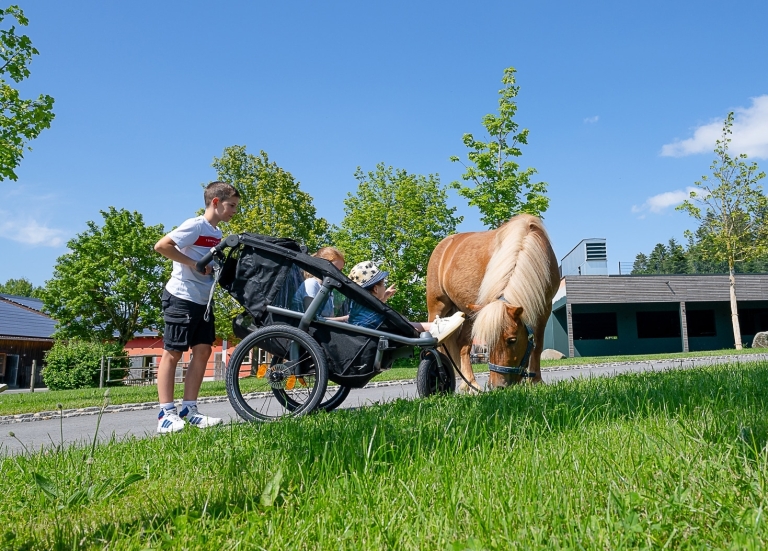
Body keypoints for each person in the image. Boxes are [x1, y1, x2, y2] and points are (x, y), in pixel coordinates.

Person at [152, 181, 240, 434]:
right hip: (181, 296)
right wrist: (193, 263)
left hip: (203, 300)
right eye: (231, 205)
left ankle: (189, 410)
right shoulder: (195, 225)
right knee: (174, 352)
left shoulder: (216, 234)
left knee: (202, 352)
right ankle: (165, 414)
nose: (234, 210)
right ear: (215, 202)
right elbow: (162, 246)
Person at [347, 260, 465, 342]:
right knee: (404, 323)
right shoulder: (375, 314)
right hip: (379, 335)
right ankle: (435, 327)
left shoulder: (358, 305)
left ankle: (433, 326)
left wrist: (384, 296)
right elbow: (396, 322)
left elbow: (373, 305)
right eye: (383, 283)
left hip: (365, 336)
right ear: (376, 288)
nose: (385, 286)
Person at [291, 247, 349, 321]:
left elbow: (330, 318)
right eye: (334, 269)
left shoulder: (328, 290)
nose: (338, 274)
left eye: (340, 270)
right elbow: (310, 318)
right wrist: (344, 319)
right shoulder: (311, 284)